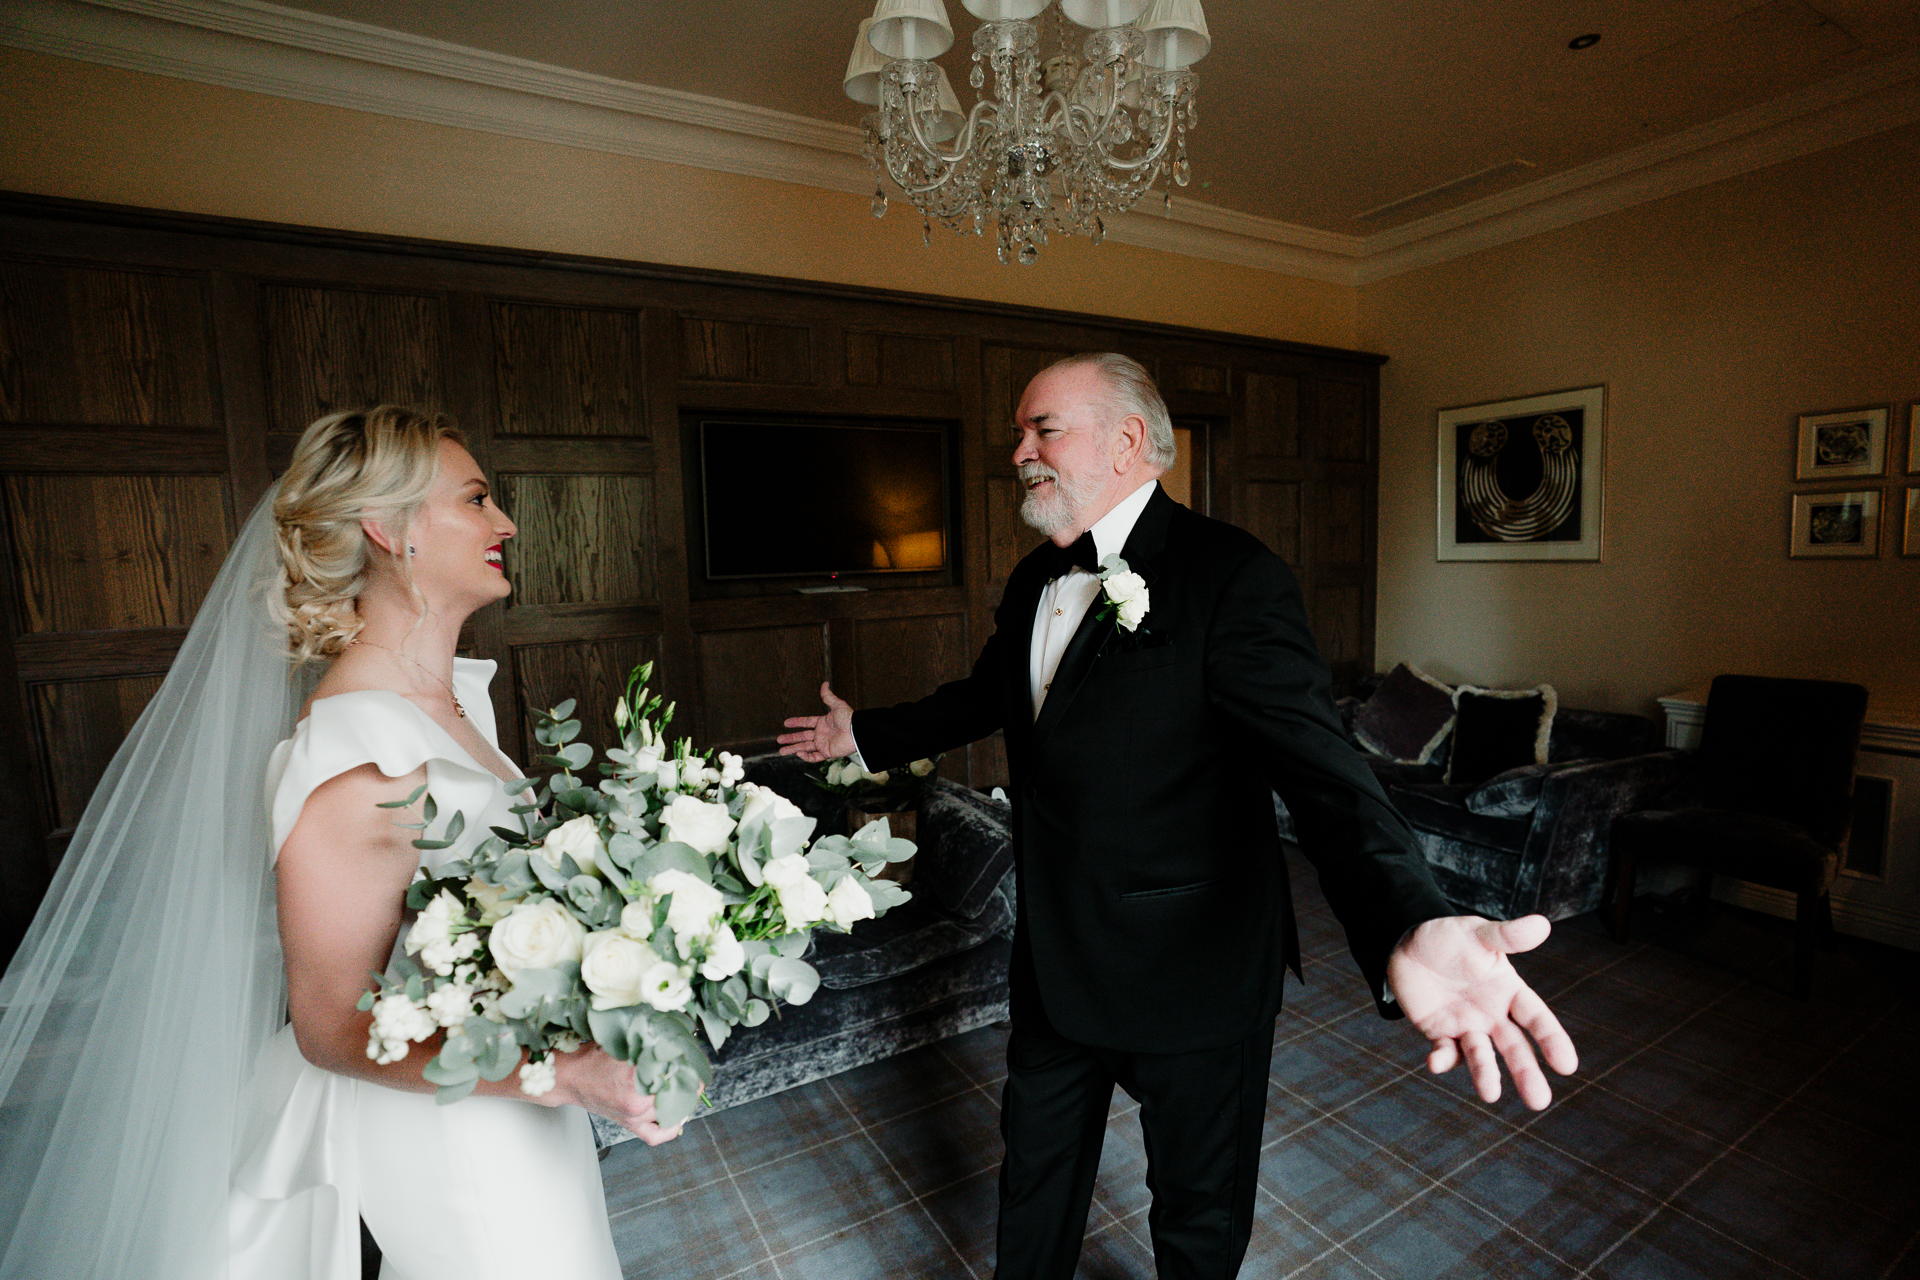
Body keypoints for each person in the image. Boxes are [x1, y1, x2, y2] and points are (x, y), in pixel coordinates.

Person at [779, 353, 1579, 1280]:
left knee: (1198, 1212)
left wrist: (1410, 910)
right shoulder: (1034, 579)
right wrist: (865, 733)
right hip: (1056, 954)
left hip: (1194, 969)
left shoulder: (1233, 576)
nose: (1019, 452)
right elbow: (988, 694)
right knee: (1035, 1178)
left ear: (1126, 441)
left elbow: (1323, 776)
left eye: (1043, 429)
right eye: (1020, 433)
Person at [0, 406, 677, 1280]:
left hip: (510, 1097)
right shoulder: (360, 754)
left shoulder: (452, 705)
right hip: (452, 1129)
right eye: (476, 499)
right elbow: (327, 1026)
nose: (504, 522)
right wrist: (566, 1076)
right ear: (387, 528)